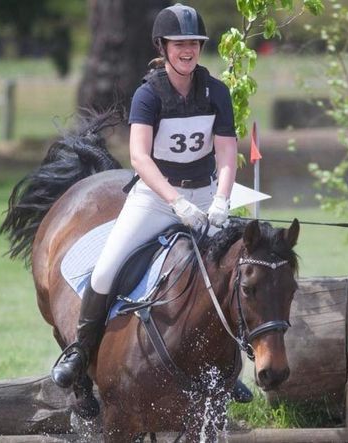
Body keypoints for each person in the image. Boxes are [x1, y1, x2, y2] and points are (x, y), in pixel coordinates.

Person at [51, 3, 253, 403]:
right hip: (156, 198)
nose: (188, 50)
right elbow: (140, 158)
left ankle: (227, 368)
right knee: (107, 269)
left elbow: (227, 152)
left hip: (206, 194)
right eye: (180, 43)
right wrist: (176, 202)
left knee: (234, 271)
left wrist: (223, 200)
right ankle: (80, 352)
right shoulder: (148, 95)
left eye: (194, 43)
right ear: (163, 46)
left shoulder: (216, 92)